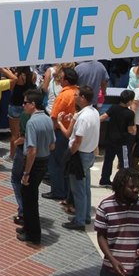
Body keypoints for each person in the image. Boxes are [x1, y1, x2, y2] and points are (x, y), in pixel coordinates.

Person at [58, 85, 100, 230]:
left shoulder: (83, 117)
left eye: (76, 95)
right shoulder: (93, 112)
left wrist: (70, 153)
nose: (74, 97)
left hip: (80, 155)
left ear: (83, 98)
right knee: (85, 187)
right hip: (89, 155)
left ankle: (80, 220)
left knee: (78, 189)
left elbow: (77, 140)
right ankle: (86, 215)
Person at [17, 88, 55, 245]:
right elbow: (52, 145)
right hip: (44, 160)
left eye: (25, 103)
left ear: (33, 104)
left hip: (34, 163)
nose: (23, 106)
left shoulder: (32, 123)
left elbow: (32, 150)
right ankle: (27, 227)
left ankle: (33, 234)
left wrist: (26, 173)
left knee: (29, 199)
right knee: (29, 197)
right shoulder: (47, 118)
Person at [45, 67, 79, 202]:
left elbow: (54, 117)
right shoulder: (77, 92)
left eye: (62, 77)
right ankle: (66, 191)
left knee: (55, 163)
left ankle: (58, 191)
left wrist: (51, 136)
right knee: (66, 165)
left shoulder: (63, 95)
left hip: (60, 132)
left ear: (66, 80)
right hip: (72, 133)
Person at [99, 90, 136, 186]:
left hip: (110, 140)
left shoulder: (113, 108)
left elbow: (103, 117)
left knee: (108, 161)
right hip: (122, 142)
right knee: (125, 163)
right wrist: (134, 131)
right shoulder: (130, 114)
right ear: (129, 101)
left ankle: (104, 179)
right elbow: (130, 130)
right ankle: (125, 182)